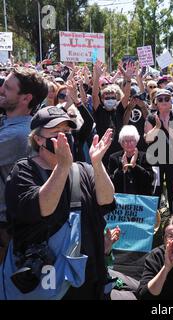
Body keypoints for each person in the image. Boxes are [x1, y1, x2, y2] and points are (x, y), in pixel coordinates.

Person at [5, 106, 116, 299]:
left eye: (67, 132)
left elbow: (106, 200)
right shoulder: (24, 171)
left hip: (87, 280)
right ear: (38, 139)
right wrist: (62, 166)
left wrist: (97, 164)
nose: (65, 138)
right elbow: (43, 208)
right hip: (46, 282)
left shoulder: (83, 170)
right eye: (57, 133)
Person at [0, 67, 48, 262]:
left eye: (7, 88)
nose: (1, 89)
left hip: (4, 228)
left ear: (26, 98)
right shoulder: (8, 124)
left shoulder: (19, 135)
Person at [137, 214, 173, 300]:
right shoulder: (156, 256)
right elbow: (144, 296)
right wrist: (166, 268)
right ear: (163, 239)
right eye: (170, 237)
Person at [144, 89, 173, 210]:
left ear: (171, 101)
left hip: (172, 159)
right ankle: (154, 219)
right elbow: (147, 139)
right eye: (160, 99)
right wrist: (157, 127)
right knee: (156, 189)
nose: (164, 101)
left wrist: (166, 127)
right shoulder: (151, 117)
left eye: (167, 99)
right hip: (156, 159)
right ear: (156, 102)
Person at [108, 125, 154, 195]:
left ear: (136, 141)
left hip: (141, 198)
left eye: (132, 140)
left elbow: (150, 179)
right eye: (126, 141)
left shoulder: (145, 156)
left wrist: (135, 166)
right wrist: (122, 169)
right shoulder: (113, 158)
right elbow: (110, 182)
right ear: (121, 143)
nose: (129, 143)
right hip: (121, 200)